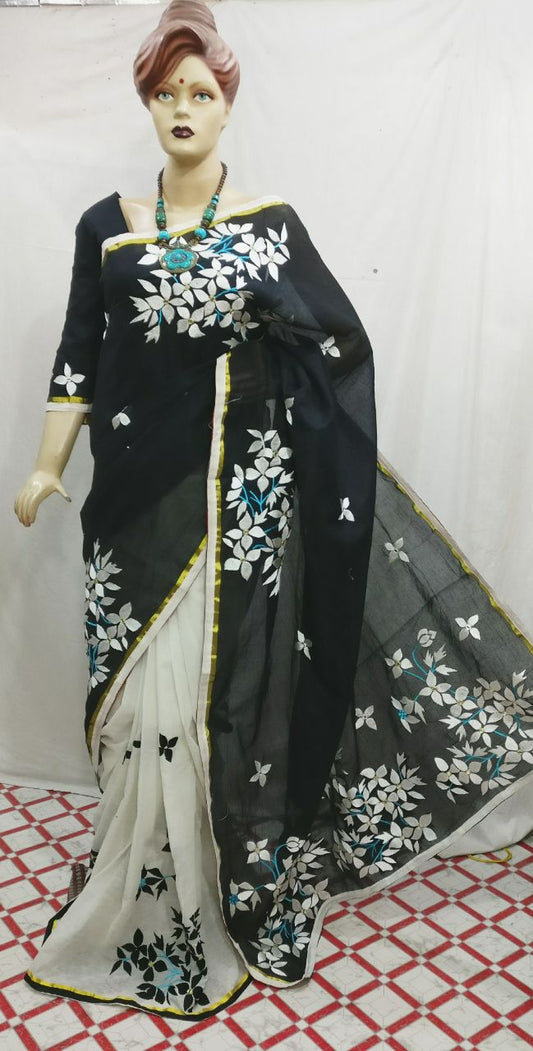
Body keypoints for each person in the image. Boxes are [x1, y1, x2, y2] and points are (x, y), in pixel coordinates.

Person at [14, 0, 532, 1022]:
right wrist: (43, 466)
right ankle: (134, 875)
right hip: (130, 506)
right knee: (137, 706)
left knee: (214, 698)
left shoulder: (268, 226)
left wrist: (272, 407)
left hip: (233, 508)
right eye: (165, 92)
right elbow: (79, 353)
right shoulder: (106, 228)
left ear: (227, 104)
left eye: (200, 91)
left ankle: (210, 886)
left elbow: (337, 344)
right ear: (146, 103)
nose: (182, 107)